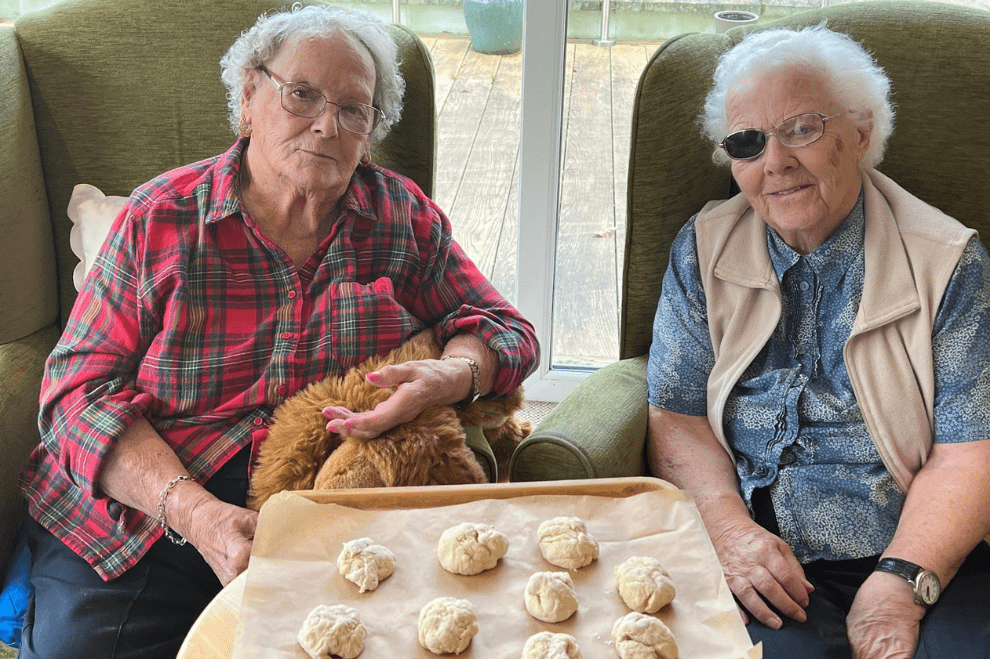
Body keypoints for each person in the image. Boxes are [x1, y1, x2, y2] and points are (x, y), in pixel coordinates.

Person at [16, 5, 538, 658]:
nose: (327, 123)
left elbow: (505, 330)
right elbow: (76, 395)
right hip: (153, 512)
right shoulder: (162, 220)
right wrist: (197, 515)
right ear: (248, 99)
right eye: (302, 94)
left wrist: (452, 373)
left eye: (354, 110)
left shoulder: (398, 217)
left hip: (324, 505)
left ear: (368, 134)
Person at [646, 25, 990, 659]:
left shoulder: (949, 262)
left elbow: (970, 451)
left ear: (859, 133)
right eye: (748, 143)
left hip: (916, 541)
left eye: (800, 128)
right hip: (760, 545)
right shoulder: (702, 249)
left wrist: (899, 584)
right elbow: (677, 415)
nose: (774, 162)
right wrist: (728, 533)